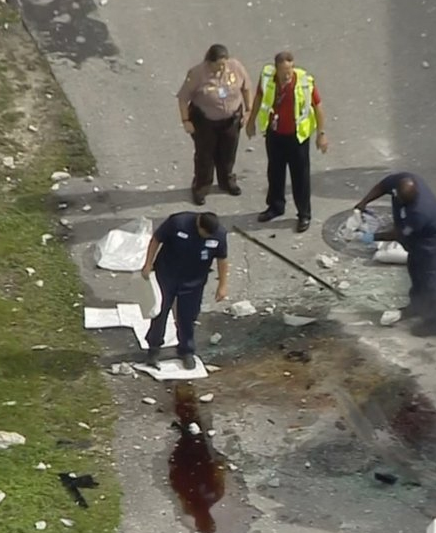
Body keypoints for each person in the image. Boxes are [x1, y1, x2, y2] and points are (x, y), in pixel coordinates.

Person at [354, 172, 436, 337]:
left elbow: (399, 234)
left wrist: (372, 237)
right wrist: (363, 203)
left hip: (432, 243)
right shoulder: (402, 180)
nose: (398, 201)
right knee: (415, 270)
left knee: (430, 279)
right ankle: (417, 306)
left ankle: (435, 323)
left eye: (403, 201)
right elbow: (381, 186)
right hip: (416, 240)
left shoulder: (419, 212)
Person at [247, 51, 329, 233]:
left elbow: (318, 106)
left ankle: (304, 214)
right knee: (275, 172)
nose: (287, 74)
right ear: (276, 68)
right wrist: (251, 121)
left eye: (290, 69)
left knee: (300, 177)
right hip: (275, 134)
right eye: (284, 70)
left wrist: (321, 134)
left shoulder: (305, 82)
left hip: (297, 136)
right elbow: (259, 97)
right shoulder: (268, 78)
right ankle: (276, 206)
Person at [140, 211, 230, 369]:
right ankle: (154, 348)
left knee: (187, 316)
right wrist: (148, 264)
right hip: (166, 275)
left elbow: (222, 259)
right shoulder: (178, 223)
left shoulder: (219, 235)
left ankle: (186, 350)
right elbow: (156, 239)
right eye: (204, 233)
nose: (206, 236)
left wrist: (222, 285)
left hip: (193, 282)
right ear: (198, 224)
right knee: (159, 313)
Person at [177, 44, 252, 206]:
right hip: (205, 121)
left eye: (224, 63)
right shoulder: (197, 74)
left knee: (228, 152)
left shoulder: (235, 67)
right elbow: (183, 98)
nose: (222, 67)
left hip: (231, 119)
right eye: (218, 64)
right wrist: (186, 121)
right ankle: (201, 187)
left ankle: (227, 181)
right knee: (205, 156)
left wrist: (248, 110)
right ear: (209, 62)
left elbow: (246, 88)